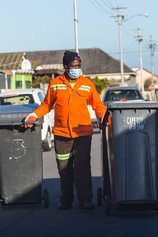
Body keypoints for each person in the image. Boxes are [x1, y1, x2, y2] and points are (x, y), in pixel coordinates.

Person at [24, 50, 107, 210]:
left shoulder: (87, 84)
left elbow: (98, 105)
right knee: (64, 168)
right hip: (62, 134)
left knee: (82, 166)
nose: (76, 69)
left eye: (78, 66)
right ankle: (66, 199)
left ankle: (85, 200)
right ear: (65, 67)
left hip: (82, 133)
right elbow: (47, 105)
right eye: (73, 66)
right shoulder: (55, 84)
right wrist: (34, 115)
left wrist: (107, 118)